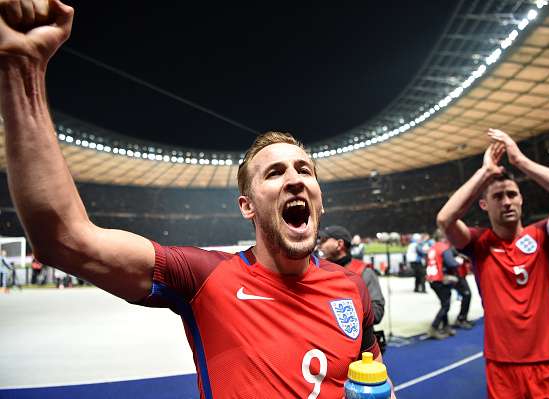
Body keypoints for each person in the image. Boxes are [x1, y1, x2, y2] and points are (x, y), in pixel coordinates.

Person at [0, 2, 395, 398]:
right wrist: (21, 68)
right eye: (274, 173)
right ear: (247, 207)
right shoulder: (205, 277)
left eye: (304, 170)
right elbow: (64, 239)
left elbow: (375, 381)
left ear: (319, 200)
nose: (294, 179)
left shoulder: (351, 287)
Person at [437, 128, 549, 398]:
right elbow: (445, 220)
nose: (506, 201)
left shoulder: (543, 235)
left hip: (548, 361)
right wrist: (486, 171)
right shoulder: (478, 244)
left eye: (511, 194)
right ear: (484, 205)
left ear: (521, 199)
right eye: (497, 197)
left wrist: (520, 161)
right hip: (502, 365)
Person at [318, 225, 385, 325]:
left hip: (358, 338)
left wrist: (339, 312)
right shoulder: (318, 270)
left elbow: (377, 312)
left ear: (339, 244)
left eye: (324, 240)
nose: (319, 245)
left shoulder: (364, 272)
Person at [425, 234, 460, 339]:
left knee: (444, 303)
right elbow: (452, 263)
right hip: (439, 279)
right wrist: (459, 262)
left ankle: (446, 326)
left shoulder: (432, 248)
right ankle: (434, 328)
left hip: (432, 279)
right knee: (446, 305)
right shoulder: (444, 247)